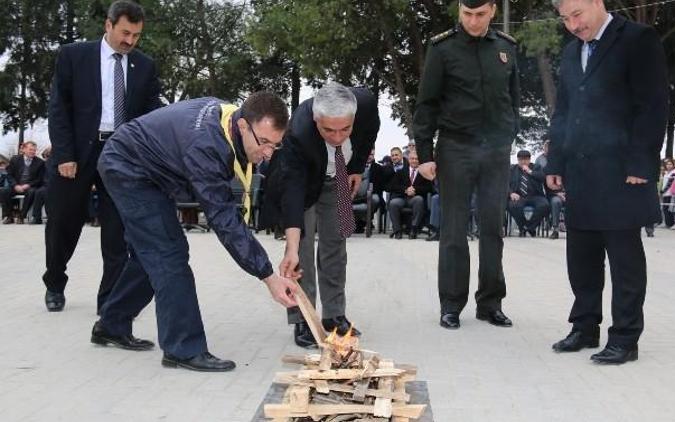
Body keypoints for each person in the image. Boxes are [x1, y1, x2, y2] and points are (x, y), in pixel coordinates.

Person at [92, 92, 299, 372]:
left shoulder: (227, 117)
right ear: (242, 126)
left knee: (150, 252)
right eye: (263, 142)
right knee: (169, 254)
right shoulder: (205, 146)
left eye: (275, 145)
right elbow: (224, 218)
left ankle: (111, 325)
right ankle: (183, 348)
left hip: (152, 168)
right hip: (127, 166)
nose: (267, 154)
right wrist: (267, 275)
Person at [546, 0, 668, 364]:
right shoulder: (571, 52)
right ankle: (584, 327)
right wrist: (556, 161)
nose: (573, 25)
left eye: (577, 14)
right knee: (581, 255)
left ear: (597, 3)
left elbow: (653, 104)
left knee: (624, 257)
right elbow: (564, 110)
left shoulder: (637, 39)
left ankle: (625, 337)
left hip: (623, 170)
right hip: (581, 172)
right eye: (565, 19)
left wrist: (641, 161)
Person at [43, 0, 161, 313]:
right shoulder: (74, 56)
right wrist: (65, 154)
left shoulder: (144, 66)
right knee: (63, 222)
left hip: (121, 154)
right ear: (108, 25)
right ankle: (55, 281)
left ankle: (108, 301)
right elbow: (59, 108)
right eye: (125, 33)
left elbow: (151, 113)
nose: (130, 41)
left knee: (117, 230)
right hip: (79, 153)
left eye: (136, 36)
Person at [412, 0, 520, 330]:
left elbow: (513, 97)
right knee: (454, 230)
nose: (473, 21)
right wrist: (425, 154)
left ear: (492, 11)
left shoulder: (506, 47)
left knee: (492, 229)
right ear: (459, 11)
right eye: (467, 14)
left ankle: (490, 303)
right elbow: (426, 104)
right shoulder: (442, 49)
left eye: (481, 14)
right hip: (455, 148)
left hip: (495, 152)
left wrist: (509, 133)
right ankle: (451, 305)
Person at [262, 82, 380, 348]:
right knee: (300, 252)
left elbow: (370, 132)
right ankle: (303, 317)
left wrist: (358, 167)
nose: (338, 137)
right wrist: (290, 245)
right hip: (302, 183)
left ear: (354, 116)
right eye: (328, 130)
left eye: (345, 129)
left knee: (335, 246)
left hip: (338, 176)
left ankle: (334, 315)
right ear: (316, 119)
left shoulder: (367, 105)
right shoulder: (298, 132)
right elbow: (293, 191)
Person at [386, 151, 434, 239]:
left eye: (416, 159)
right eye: (412, 159)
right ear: (408, 160)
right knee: (393, 203)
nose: (414, 161)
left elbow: (429, 188)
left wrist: (415, 190)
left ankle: (413, 229)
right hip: (402, 197)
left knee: (419, 200)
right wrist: (406, 190)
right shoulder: (401, 171)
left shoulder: (424, 173)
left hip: (415, 198)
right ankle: (397, 230)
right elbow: (393, 186)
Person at [507, 149, 549, 237]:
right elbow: (505, 183)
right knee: (513, 206)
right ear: (518, 160)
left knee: (544, 205)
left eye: (525, 159)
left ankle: (529, 227)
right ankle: (523, 227)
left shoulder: (536, 167)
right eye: (521, 159)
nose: (523, 162)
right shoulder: (512, 169)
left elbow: (542, 178)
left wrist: (530, 171)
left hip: (535, 195)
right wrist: (511, 193)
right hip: (519, 196)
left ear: (529, 160)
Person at [2, 141, 46, 224]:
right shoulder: (15, 159)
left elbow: (39, 179)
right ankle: (9, 216)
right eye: (30, 149)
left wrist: (28, 185)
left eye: (34, 150)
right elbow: (9, 175)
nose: (33, 152)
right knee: (4, 191)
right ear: (24, 149)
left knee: (32, 192)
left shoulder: (40, 162)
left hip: (30, 186)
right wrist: (15, 185)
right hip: (16, 185)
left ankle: (22, 216)